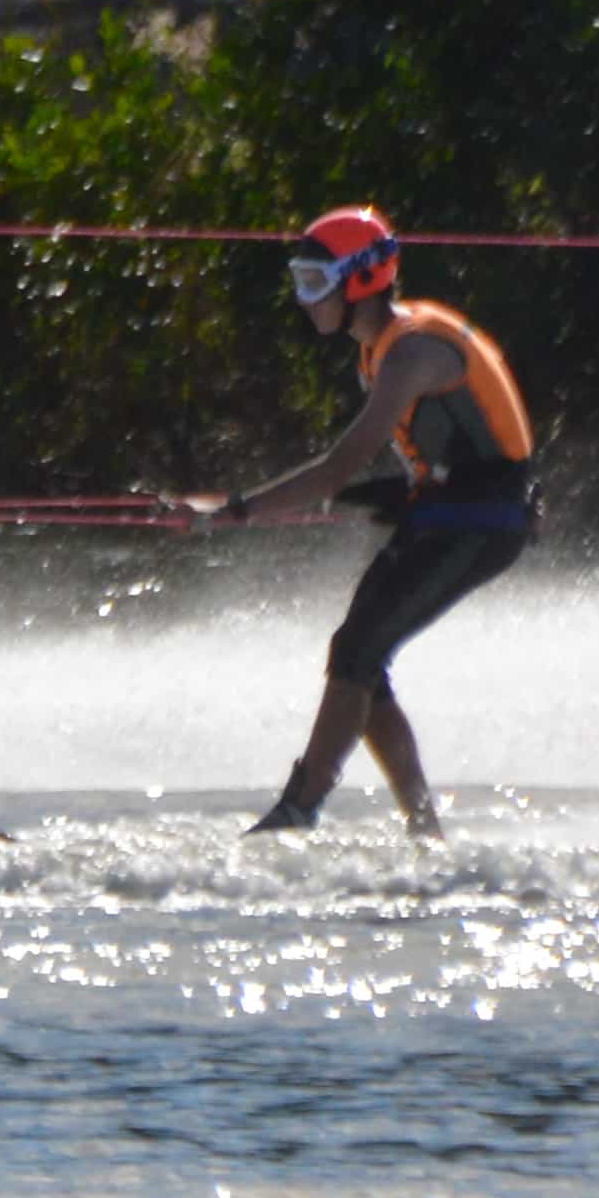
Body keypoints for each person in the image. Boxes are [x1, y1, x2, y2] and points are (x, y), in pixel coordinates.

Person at [208, 206, 533, 836]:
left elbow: (335, 469)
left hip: (483, 522)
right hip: (449, 510)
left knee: (358, 649)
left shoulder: (412, 354)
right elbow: (429, 462)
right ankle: (421, 824)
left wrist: (240, 509)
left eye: (314, 283)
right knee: (358, 653)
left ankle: (300, 809)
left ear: (360, 279)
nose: (304, 301)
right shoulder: (378, 350)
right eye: (299, 282)